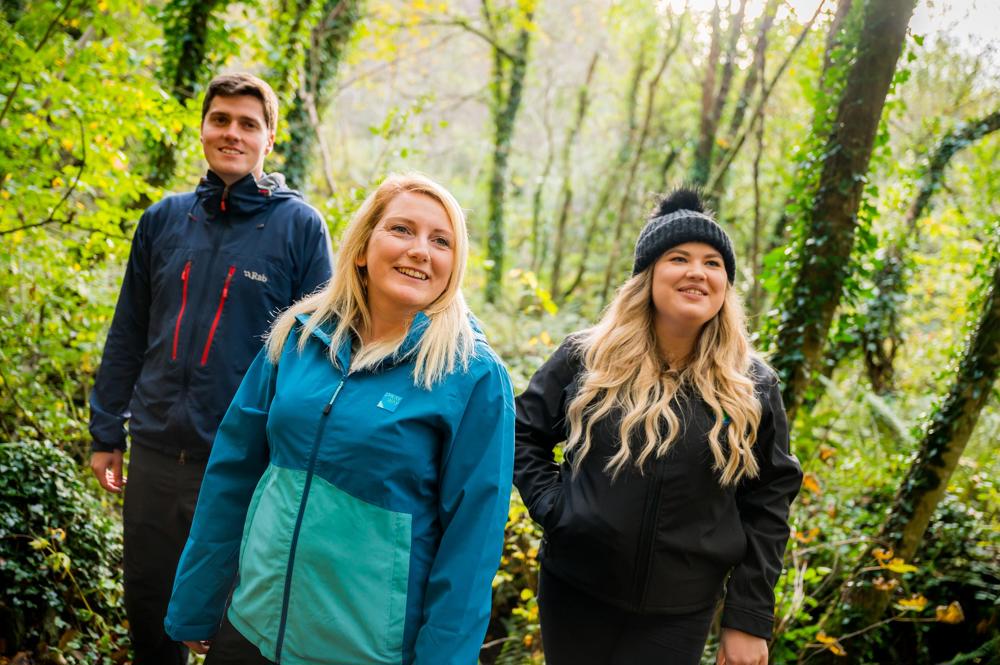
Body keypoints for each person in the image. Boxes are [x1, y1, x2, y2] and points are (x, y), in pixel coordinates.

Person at [163, 173, 515, 665]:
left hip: (362, 651)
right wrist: (198, 598)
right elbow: (233, 471)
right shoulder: (297, 336)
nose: (420, 250)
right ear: (362, 247)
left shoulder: (472, 376)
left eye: (441, 241)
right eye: (401, 230)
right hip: (250, 626)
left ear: (454, 266)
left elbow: (472, 546)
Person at [88, 72, 334, 664]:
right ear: (202, 128)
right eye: (220, 119)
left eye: (248, 124)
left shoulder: (300, 228)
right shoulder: (164, 220)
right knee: (148, 603)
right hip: (150, 450)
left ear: (269, 139)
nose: (232, 133)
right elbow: (128, 331)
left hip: (238, 462)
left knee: (228, 618)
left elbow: (318, 355)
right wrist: (105, 432)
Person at [514, 187, 803, 665]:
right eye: (679, 258)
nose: (697, 272)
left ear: (726, 286)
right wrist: (558, 510)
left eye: (713, 263)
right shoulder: (586, 357)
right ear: (647, 276)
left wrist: (748, 617)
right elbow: (525, 433)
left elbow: (769, 500)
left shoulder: (752, 385)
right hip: (574, 592)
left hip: (680, 611)